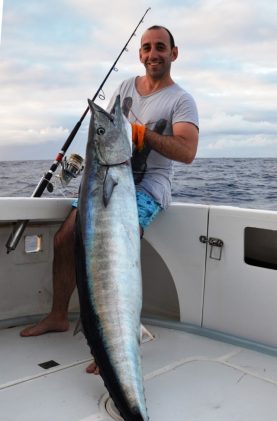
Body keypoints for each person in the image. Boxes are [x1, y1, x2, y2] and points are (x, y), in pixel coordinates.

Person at [20, 25, 199, 373]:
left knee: (119, 250)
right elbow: (102, 136)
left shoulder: (181, 100)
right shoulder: (124, 88)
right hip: (105, 179)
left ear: (173, 53)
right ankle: (58, 315)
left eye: (160, 47)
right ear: (140, 54)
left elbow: (187, 151)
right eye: (146, 48)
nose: (152, 54)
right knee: (64, 237)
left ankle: (117, 338)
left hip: (147, 188)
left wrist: (142, 134)